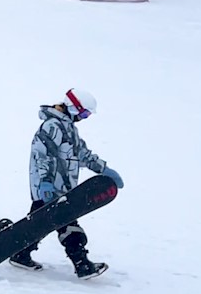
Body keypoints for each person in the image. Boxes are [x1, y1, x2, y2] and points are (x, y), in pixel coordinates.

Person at [13, 87, 122, 278]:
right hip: (49, 188)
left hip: (62, 188)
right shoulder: (52, 127)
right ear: (73, 107)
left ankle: (20, 253)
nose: (85, 117)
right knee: (66, 224)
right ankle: (82, 265)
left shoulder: (69, 129)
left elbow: (83, 154)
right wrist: (46, 183)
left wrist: (103, 169)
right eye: (84, 113)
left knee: (39, 224)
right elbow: (43, 156)